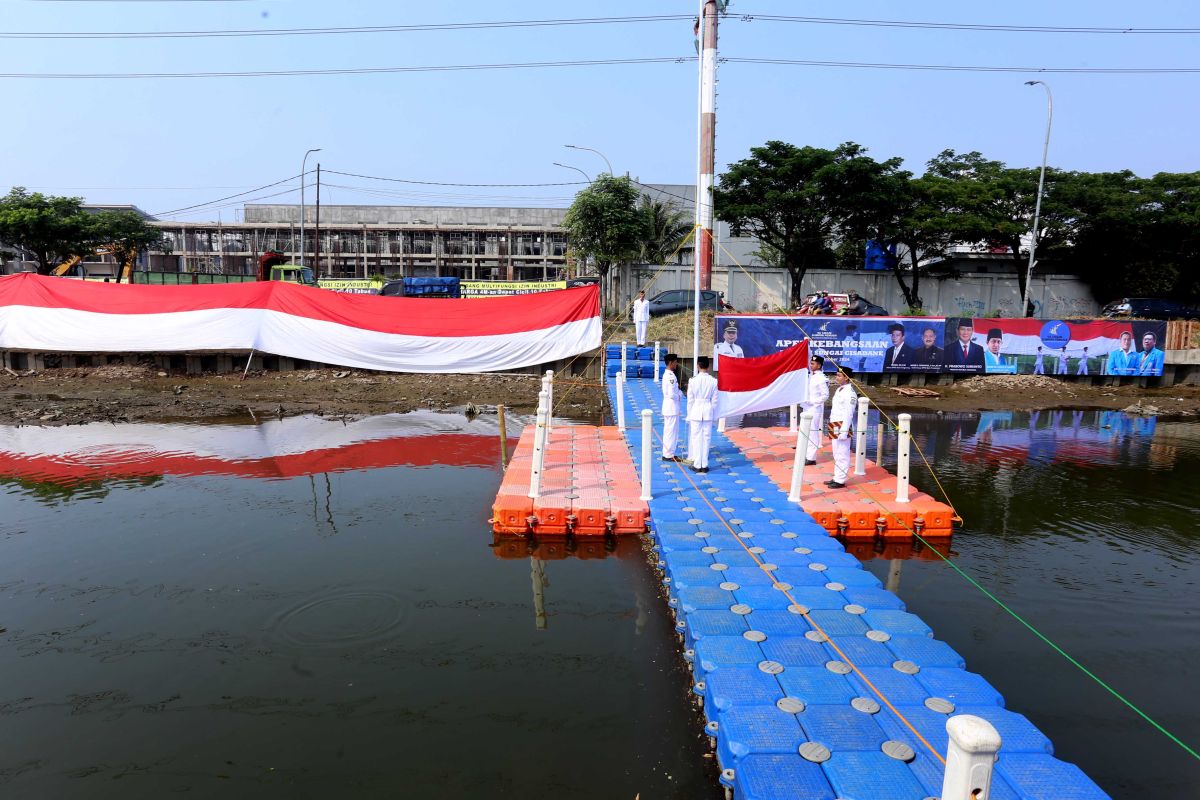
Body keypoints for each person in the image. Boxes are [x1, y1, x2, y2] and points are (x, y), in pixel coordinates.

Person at [826, 367, 857, 489]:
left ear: (847, 378)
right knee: (836, 453)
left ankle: (840, 480)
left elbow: (849, 413)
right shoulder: (839, 389)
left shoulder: (850, 393)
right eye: (837, 375)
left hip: (843, 425)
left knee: (842, 453)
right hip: (835, 424)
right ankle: (836, 477)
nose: (837, 377)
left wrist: (844, 430)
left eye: (839, 376)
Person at [685, 356, 718, 473]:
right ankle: (704, 464)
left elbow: (690, 400)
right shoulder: (713, 381)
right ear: (708, 366)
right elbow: (714, 401)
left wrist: (689, 415)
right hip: (708, 410)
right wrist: (712, 414)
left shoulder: (693, 380)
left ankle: (697, 464)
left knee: (696, 438)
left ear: (698, 366)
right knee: (706, 438)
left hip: (696, 410)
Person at [801, 355, 829, 465]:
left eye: (813, 364)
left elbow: (825, 395)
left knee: (813, 432)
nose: (810, 365)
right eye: (810, 363)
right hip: (806, 407)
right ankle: (806, 453)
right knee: (805, 431)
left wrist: (813, 402)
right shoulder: (810, 376)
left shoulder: (822, 378)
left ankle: (811, 458)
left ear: (819, 365)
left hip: (814, 408)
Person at [660, 353, 682, 461]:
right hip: (672, 407)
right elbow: (671, 393)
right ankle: (668, 454)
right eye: (675, 362)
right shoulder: (670, 376)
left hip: (670, 407)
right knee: (671, 432)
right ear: (671, 363)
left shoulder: (668, 375)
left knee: (670, 431)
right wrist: (680, 394)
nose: (676, 364)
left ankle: (669, 452)